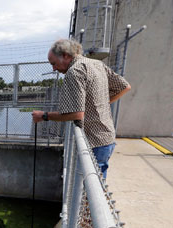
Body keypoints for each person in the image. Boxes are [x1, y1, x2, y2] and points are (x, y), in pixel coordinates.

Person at [32, 39, 131, 178]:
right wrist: (102, 102)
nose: (54, 69)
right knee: (97, 183)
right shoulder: (97, 64)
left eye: (54, 63)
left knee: (91, 187)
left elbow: (75, 114)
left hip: (93, 141)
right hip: (107, 136)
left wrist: (44, 116)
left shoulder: (75, 71)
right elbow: (124, 87)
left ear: (66, 55)